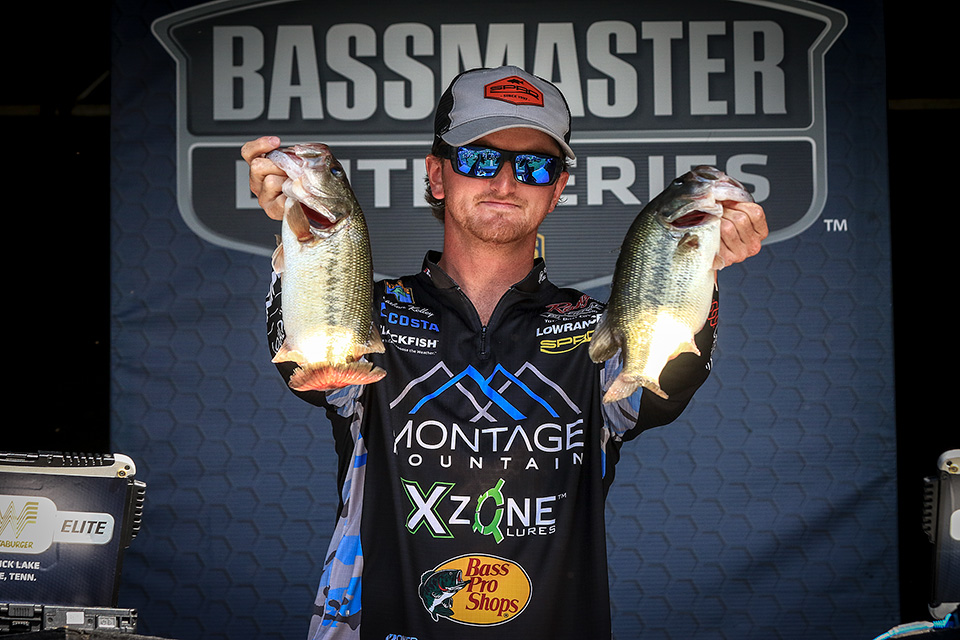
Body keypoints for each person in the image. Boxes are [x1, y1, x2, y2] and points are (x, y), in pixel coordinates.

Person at [242, 66, 767, 640]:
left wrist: (698, 269)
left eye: (535, 166)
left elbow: (660, 392)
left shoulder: (599, 330)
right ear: (437, 176)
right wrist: (298, 228)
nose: (506, 180)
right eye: (479, 158)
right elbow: (304, 361)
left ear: (558, 189)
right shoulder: (369, 316)